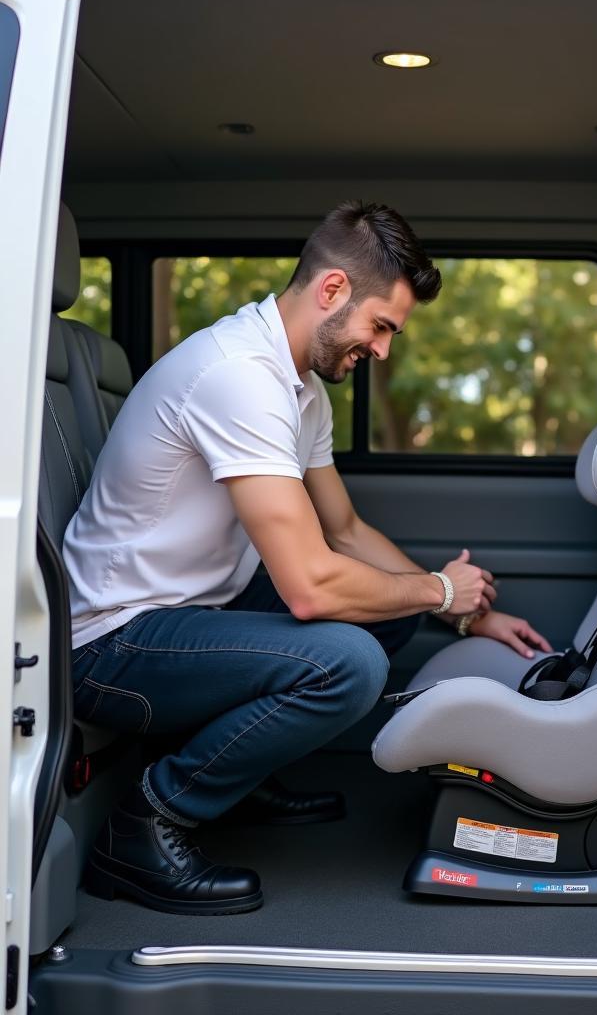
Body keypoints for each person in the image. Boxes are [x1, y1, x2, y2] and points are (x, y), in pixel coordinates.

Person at [64, 201, 551, 915]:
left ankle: (241, 770)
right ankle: (146, 823)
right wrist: (437, 592)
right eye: (380, 326)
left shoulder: (301, 389)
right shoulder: (238, 375)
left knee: (383, 612)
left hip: (190, 612)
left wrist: (466, 614)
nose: (383, 350)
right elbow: (313, 590)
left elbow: (345, 531)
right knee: (349, 662)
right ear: (331, 292)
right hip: (111, 641)